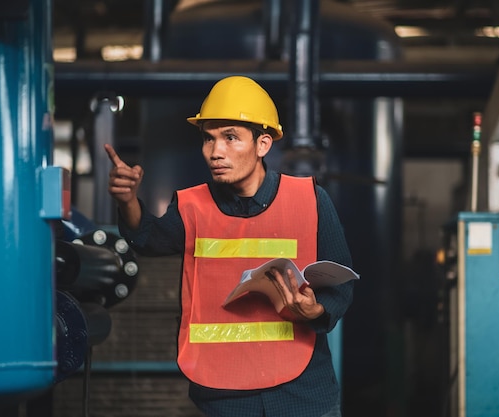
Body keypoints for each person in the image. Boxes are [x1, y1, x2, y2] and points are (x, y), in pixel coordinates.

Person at [105, 75, 355, 417]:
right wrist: (127, 201)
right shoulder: (191, 207)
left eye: (230, 138)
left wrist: (317, 311)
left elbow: (340, 286)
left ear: (263, 144)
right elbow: (147, 239)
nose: (215, 152)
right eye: (209, 139)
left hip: (303, 394)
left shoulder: (310, 200)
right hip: (224, 397)